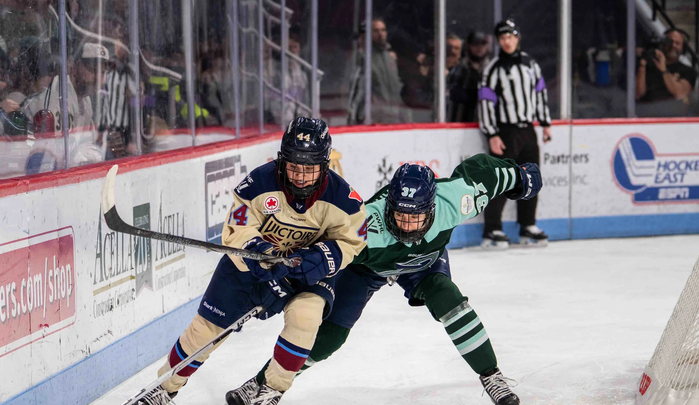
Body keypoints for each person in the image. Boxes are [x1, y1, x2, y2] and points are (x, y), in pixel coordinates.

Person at [230, 154, 542, 405]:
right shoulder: (367, 227)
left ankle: (491, 376)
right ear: (389, 207)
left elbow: (485, 172)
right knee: (332, 337)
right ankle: (263, 385)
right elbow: (326, 253)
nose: (407, 226)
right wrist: (295, 269)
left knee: (450, 301)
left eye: (415, 216)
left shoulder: (456, 199)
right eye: (400, 215)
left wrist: (519, 176)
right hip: (368, 269)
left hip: (425, 265)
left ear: (432, 208)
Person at [137, 117, 367, 405]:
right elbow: (237, 230)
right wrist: (257, 251)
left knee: (305, 319)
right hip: (251, 268)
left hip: (307, 273)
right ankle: (164, 387)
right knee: (204, 331)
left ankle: (271, 389)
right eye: (294, 167)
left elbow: (353, 241)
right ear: (282, 161)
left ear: (324, 165)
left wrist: (322, 258)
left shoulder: (343, 198)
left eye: (309, 170)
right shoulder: (258, 183)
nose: (300, 177)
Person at [478, 19, 551, 248]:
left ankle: (527, 225)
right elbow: (485, 103)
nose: (507, 41)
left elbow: (540, 94)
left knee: (531, 179)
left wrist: (545, 123)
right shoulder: (494, 68)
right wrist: (492, 134)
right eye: (502, 38)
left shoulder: (531, 64)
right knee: (501, 181)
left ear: (517, 38)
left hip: (528, 130)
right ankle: (492, 230)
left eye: (510, 37)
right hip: (506, 131)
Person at [347, 18, 411, 125]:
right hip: (373, 119)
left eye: (383, 30)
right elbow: (356, 91)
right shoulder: (362, 57)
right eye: (376, 31)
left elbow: (397, 88)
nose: (381, 34)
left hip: (394, 118)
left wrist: (403, 115)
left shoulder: (390, 58)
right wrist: (352, 119)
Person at [636, 28, 697, 117]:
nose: (673, 46)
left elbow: (680, 94)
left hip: (674, 120)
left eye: (677, 43)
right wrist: (642, 66)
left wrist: (664, 70)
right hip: (647, 119)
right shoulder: (648, 67)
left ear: (683, 48)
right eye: (670, 42)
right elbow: (638, 94)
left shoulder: (688, 71)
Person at [448, 31, 492, 122]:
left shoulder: (491, 69)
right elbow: (452, 95)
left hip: (485, 122)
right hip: (461, 121)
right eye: (475, 44)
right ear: (469, 46)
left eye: (482, 44)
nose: (479, 48)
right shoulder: (460, 68)